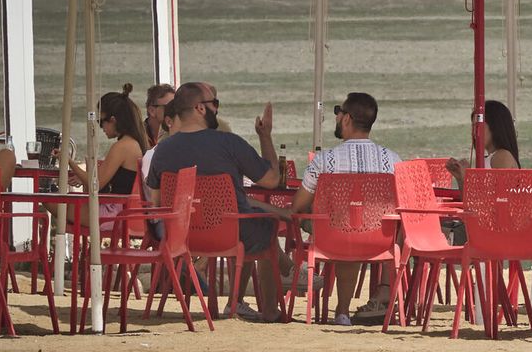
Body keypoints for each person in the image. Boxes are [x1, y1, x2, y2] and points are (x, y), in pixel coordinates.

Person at [145, 82, 284, 320]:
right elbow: (272, 180)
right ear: (200, 108)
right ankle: (269, 308)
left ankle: (240, 300)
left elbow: (157, 200)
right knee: (267, 224)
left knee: (251, 219)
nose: (217, 110)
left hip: (182, 236)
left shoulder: (163, 149)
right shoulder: (229, 143)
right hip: (230, 232)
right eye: (214, 104)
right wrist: (265, 136)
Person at [293, 92, 401, 325]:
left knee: (341, 224)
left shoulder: (325, 160)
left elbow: (298, 205)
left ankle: (342, 311)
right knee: (353, 225)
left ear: (346, 118)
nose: (336, 117)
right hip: (381, 240)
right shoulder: (393, 160)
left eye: (338, 112)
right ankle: (387, 295)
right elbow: (405, 205)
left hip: (335, 238)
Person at [68, 84, 147, 199]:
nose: (101, 128)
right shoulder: (134, 142)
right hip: (123, 207)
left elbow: (96, 184)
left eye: (101, 122)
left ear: (113, 120)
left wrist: (69, 162)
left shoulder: (122, 146)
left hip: (115, 210)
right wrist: (83, 176)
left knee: (53, 202)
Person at [445, 99, 520, 184]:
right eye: (473, 127)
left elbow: (498, 195)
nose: (474, 132)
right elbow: (469, 197)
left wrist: (467, 178)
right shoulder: (489, 158)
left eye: (478, 126)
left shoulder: (502, 156)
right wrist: (461, 178)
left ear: (495, 127)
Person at [143, 83, 175, 148]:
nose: (175, 110)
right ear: (152, 111)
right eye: (169, 106)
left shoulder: (177, 132)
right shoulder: (138, 137)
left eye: (176, 106)